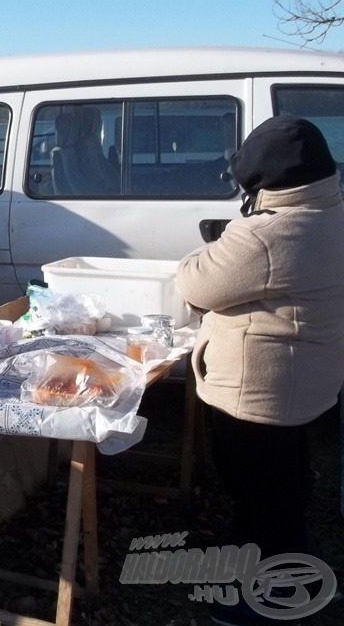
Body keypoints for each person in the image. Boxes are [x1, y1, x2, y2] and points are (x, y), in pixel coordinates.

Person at [176, 117, 344, 626]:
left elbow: (195, 284)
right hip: (304, 381)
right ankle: (303, 562)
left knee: (258, 493)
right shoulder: (332, 208)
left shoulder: (268, 234)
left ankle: (269, 601)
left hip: (259, 391)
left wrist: (214, 244)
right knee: (287, 481)